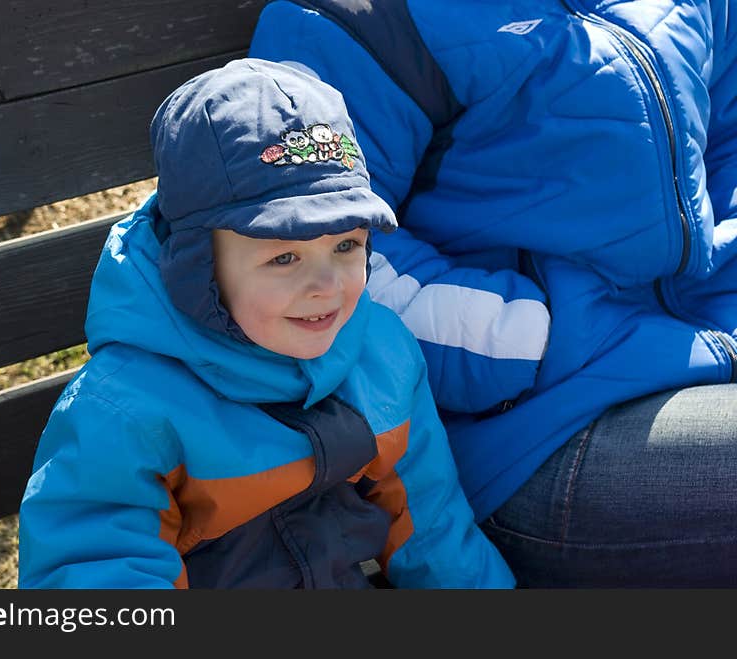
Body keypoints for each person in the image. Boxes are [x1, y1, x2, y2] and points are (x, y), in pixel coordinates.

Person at [248, 1, 737, 587]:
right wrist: (529, 340)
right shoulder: (357, 19)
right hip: (533, 431)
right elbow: (316, 259)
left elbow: (728, 141)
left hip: (698, 359)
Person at [17, 58, 514, 589]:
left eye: (346, 245)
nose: (327, 284)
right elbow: (96, 574)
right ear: (198, 270)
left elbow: (431, 524)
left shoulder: (382, 353)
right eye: (284, 258)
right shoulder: (126, 412)